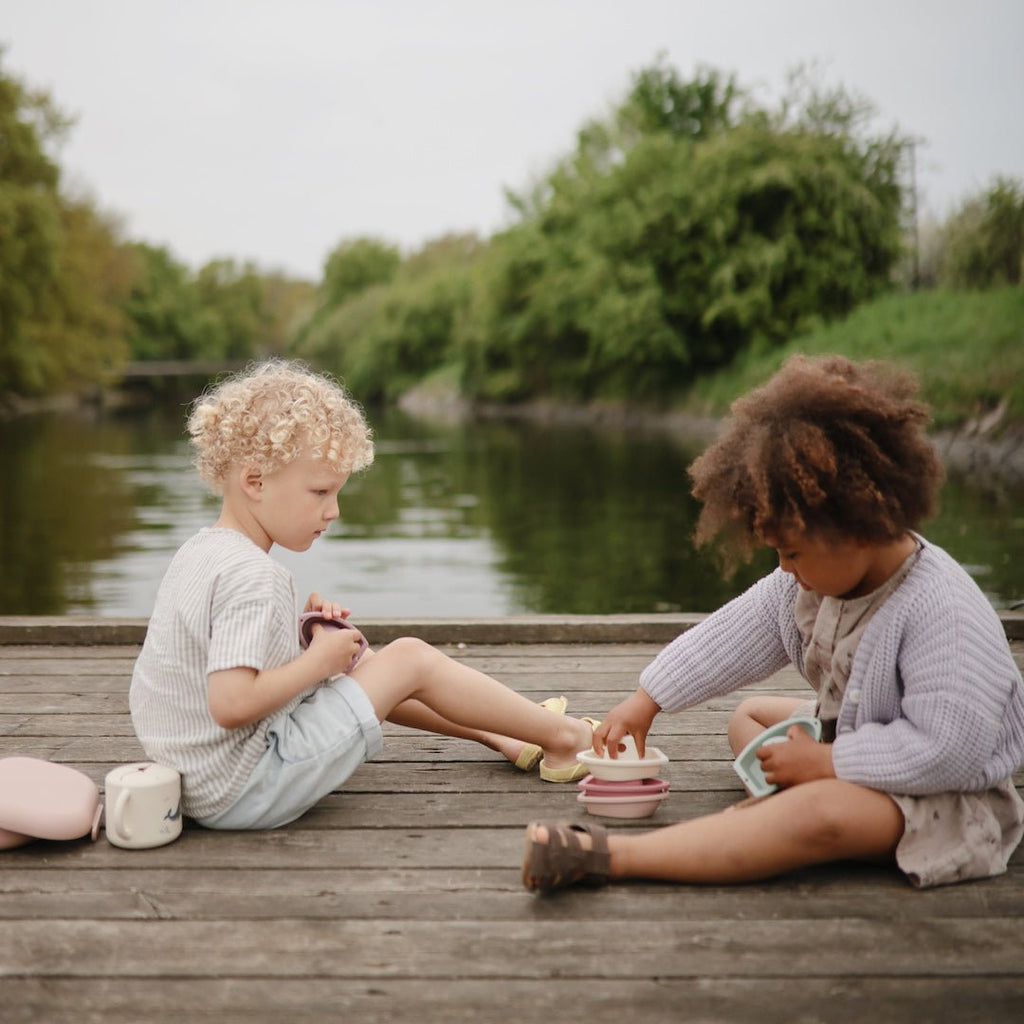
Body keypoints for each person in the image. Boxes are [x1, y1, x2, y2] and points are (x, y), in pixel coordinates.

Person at [522, 354, 1024, 893]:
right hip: (861, 739)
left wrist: (829, 763)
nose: (785, 568)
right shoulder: (811, 582)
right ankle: (783, 808)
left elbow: (949, 750)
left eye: (793, 552)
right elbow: (735, 634)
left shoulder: (940, 609)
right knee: (751, 717)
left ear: (858, 526)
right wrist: (648, 700)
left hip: (944, 804)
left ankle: (612, 857)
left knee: (818, 811)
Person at [129, 359, 597, 830]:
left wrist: (302, 641)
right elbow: (230, 705)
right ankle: (566, 737)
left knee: (363, 662)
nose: (333, 511)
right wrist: (316, 665)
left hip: (193, 781)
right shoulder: (254, 576)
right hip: (245, 786)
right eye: (320, 491)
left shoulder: (201, 551)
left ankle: (507, 736)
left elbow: (221, 662)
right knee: (409, 658)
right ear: (255, 482)